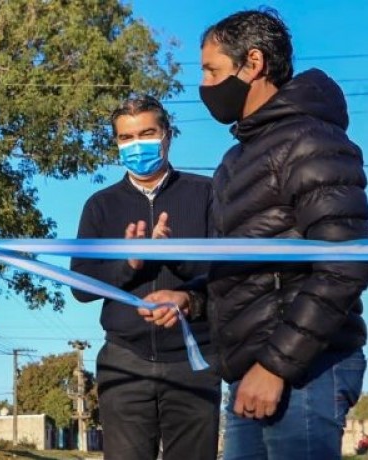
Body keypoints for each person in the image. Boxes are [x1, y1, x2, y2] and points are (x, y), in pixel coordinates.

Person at [144, 9, 368, 460]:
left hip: (304, 373)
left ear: (253, 63)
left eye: (212, 70)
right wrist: (190, 299)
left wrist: (275, 365)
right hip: (249, 372)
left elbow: (345, 262)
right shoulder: (234, 161)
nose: (205, 86)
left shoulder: (311, 141)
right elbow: (244, 271)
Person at [69, 95, 220, 459]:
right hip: (124, 362)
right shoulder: (101, 206)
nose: (137, 145)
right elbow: (81, 286)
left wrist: (176, 262)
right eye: (126, 137)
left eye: (147, 133)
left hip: (193, 360)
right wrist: (130, 263)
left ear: (167, 135)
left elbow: (226, 273)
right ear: (117, 144)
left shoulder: (207, 193)